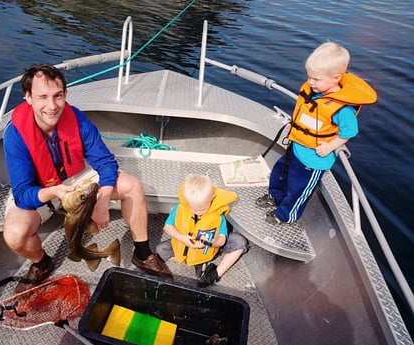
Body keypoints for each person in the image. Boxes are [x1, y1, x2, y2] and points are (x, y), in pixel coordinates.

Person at [3, 63, 172, 293]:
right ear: (28, 97)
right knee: (14, 234)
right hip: (41, 189)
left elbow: (105, 163)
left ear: (65, 94)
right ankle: (42, 263)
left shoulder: (77, 119)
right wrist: (54, 192)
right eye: (42, 97)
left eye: (58, 96)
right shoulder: (15, 135)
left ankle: (142, 253)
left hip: (77, 179)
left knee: (132, 186)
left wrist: (101, 201)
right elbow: (22, 195)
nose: (52, 106)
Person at [256, 42, 377, 225]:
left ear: (336, 78)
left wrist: (330, 146)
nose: (310, 82)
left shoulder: (342, 110)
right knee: (280, 173)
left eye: (316, 79)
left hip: (313, 160)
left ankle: (286, 215)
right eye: (309, 77)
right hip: (296, 148)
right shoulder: (314, 92)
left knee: (299, 189)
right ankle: (275, 196)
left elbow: (349, 132)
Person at [156, 174, 248, 288]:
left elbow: (222, 239)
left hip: (209, 248)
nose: (198, 213)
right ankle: (195, 262)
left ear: (212, 198)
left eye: (203, 209)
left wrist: (211, 242)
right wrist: (182, 238)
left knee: (240, 242)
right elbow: (168, 227)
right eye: (194, 209)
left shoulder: (218, 215)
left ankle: (214, 274)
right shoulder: (179, 209)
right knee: (160, 250)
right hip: (184, 245)